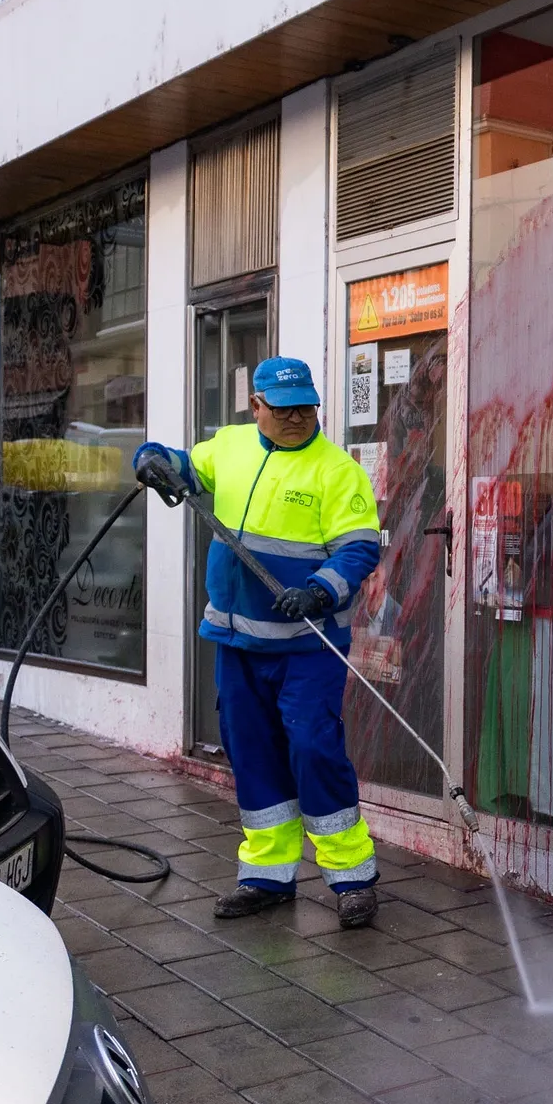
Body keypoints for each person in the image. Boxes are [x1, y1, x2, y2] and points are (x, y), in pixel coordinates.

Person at [134, 357, 386, 928]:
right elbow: (183, 466)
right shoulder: (229, 447)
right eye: (284, 408)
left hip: (307, 645)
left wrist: (320, 591)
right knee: (251, 753)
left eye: (306, 408)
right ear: (257, 407)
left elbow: (359, 548)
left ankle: (352, 877)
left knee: (314, 749)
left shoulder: (337, 471)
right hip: (238, 642)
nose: (297, 418)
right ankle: (268, 877)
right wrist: (151, 458)